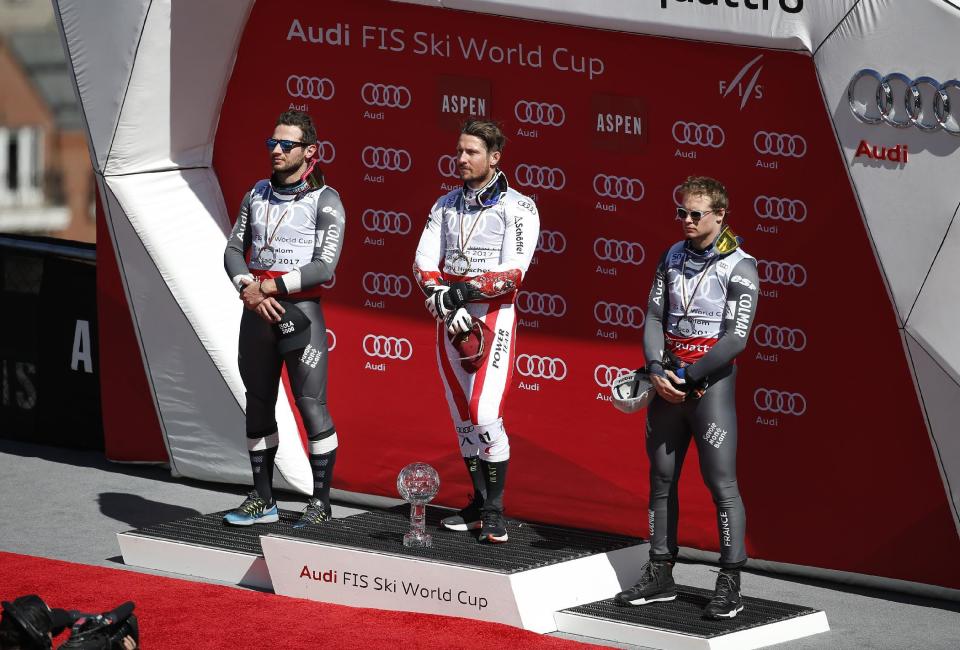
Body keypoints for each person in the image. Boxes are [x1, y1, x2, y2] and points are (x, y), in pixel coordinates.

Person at [615, 176, 759, 619]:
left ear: (720, 215)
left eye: (696, 214)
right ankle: (660, 572)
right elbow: (654, 315)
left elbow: (735, 340)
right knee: (661, 479)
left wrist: (690, 376)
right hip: (667, 385)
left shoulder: (740, 266)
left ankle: (730, 581)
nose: (687, 221)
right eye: (682, 213)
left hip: (708, 387)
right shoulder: (671, 256)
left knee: (721, 484)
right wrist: (657, 370)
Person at [413, 120, 539, 543]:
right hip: (448, 318)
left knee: (485, 414)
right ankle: (477, 503)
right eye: (460, 151)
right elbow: (423, 261)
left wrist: (460, 292)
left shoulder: (519, 207)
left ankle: (496, 510)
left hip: (493, 315)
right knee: (463, 419)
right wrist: (439, 296)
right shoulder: (444, 204)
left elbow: (513, 274)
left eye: (472, 152)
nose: (462, 159)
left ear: (495, 157)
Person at [222, 110, 345, 528]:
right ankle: (263, 499)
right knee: (257, 404)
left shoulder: (325, 199)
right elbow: (233, 251)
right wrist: (247, 288)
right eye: (272, 143)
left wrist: (267, 288)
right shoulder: (257, 192)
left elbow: (323, 267)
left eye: (285, 144)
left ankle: (321, 503)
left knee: (312, 407)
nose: (276, 150)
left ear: (309, 151)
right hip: (256, 312)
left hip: (300, 315)